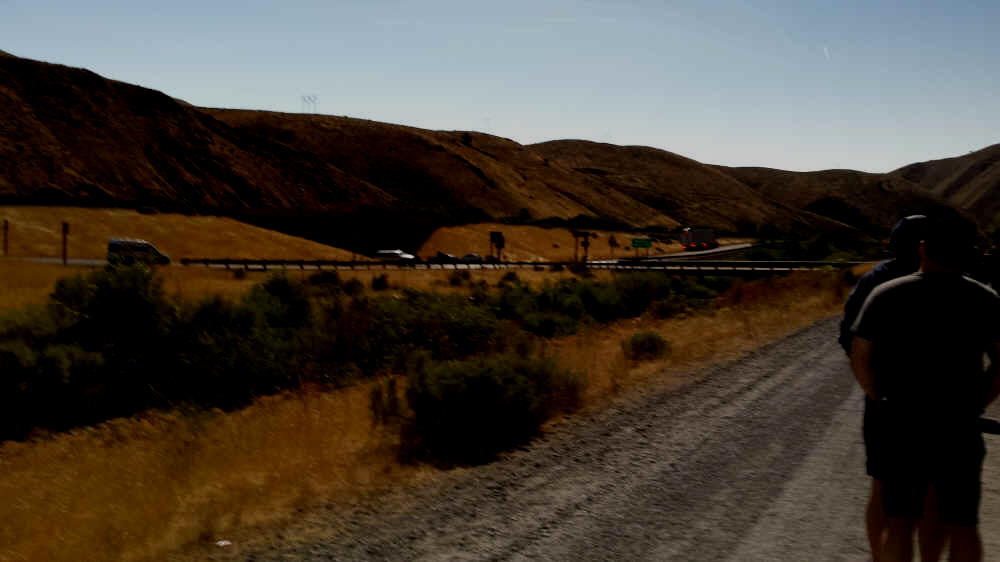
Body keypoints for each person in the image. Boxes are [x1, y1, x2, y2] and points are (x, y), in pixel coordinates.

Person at [850, 213, 1000, 562]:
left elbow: (860, 356)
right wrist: (979, 401)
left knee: (900, 523)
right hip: (960, 427)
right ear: (966, 253)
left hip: (901, 424)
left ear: (922, 248)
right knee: (963, 524)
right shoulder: (984, 298)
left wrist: (878, 396)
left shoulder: (886, 294)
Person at [840, 215, 948, 560]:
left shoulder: (874, 281)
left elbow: (849, 340)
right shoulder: (953, 279)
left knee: (884, 489)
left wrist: (874, 390)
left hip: (887, 400)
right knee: (933, 491)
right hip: (944, 403)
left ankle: (879, 556)